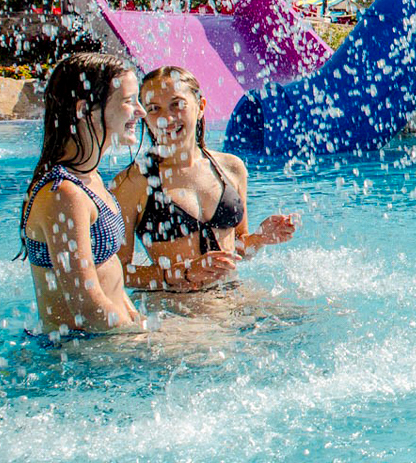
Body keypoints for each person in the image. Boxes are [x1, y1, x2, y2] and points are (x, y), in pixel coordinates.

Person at [112, 66, 297, 292]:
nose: (166, 118)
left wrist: (260, 238)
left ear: (200, 107)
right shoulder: (133, 182)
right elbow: (115, 272)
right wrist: (182, 273)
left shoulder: (231, 169)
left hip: (234, 296)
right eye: (154, 109)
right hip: (177, 310)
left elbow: (237, 248)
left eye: (177, 105)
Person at [17, 52, 148, 338]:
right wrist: (143, 344)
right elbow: (84, 306)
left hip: (107, 342)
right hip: (77, 356)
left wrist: (140, 324)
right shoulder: (63, 194)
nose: (142, 112)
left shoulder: (91, 180)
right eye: (129, 101)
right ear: (83, 109)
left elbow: (110, 283)